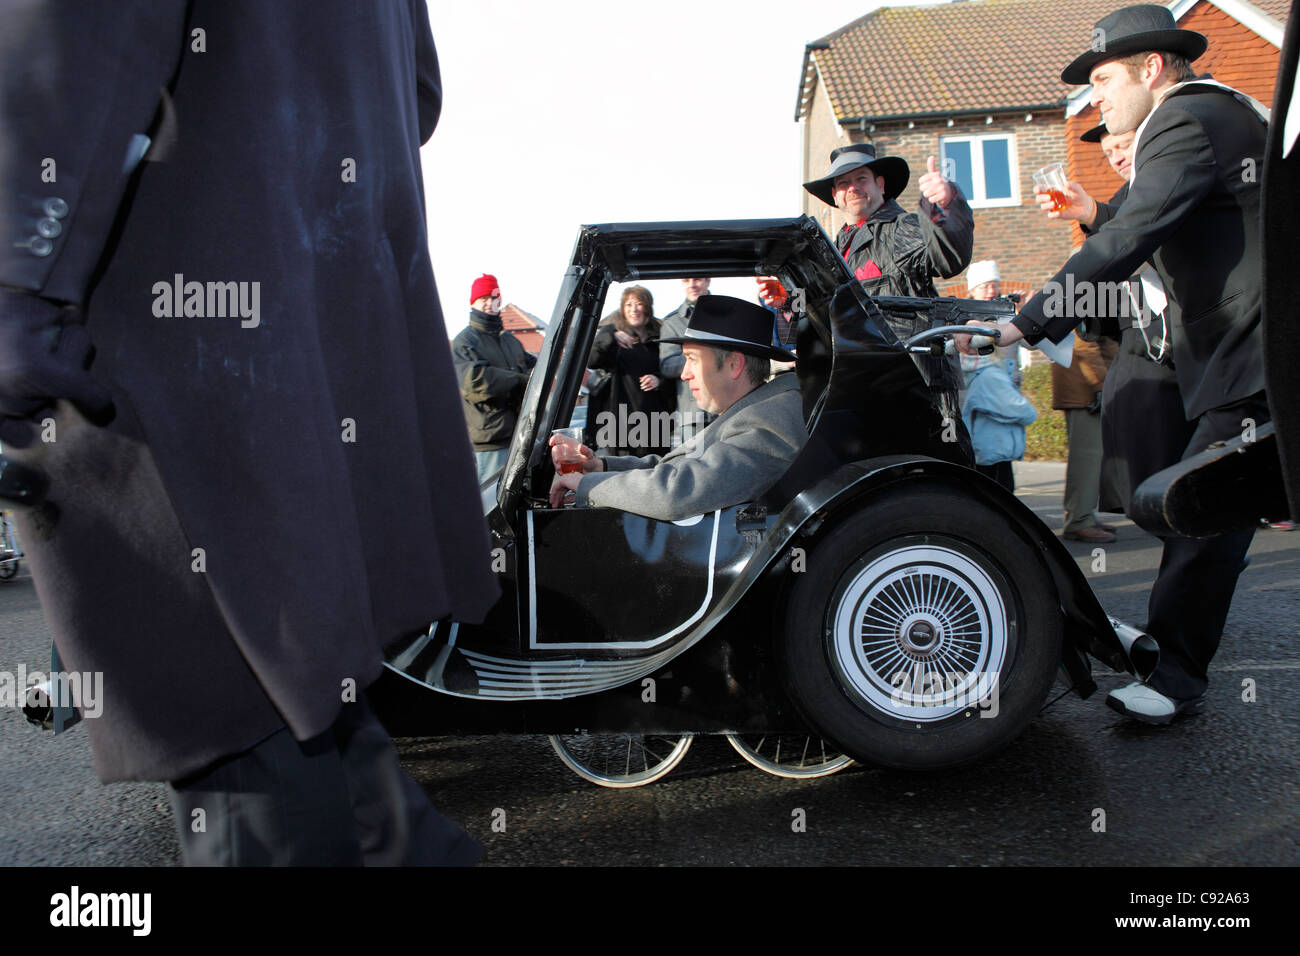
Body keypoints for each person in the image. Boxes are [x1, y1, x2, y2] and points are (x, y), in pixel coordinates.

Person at [0, 1, 497, 864]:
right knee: (312, 715)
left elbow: (78, 30)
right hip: (314, 321)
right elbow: (417, 92)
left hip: (187, 342)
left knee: (249, 722)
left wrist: (15, 274)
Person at [958, 4, 1270, 725]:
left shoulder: (1188, 118)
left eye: (1102, 79)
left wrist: (1022, 325)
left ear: (1151, 68)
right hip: (1220, 356)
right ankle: (1187, 614)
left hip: (1251, 354)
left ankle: (1176, 673)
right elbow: (1128, 217)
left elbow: (1132, 232)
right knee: (1155, 490)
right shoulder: (1190, 124)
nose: (1095, 99)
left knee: (1200, 509)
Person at [549, 295, 805, 522]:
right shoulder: (749, 411)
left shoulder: (772, 420)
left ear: (734, 364)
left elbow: (679, 490)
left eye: (692, 360)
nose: (684, 374)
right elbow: (676, 467)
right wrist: (600, 466)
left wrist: (588, 486)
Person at [798, 144, 974, 299]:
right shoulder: (834, 247)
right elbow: (818, 305)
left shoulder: (900, 227)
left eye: (861, 178)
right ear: (835, 195)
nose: (852, 188)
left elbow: (947, 260)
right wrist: (788, 300)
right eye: (843, 183)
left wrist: (948, 204)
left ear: (880, 185)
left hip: (904, 338)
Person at [452, 273, 537, 483]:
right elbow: (474, 382)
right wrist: (518, 379)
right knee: (492, 506)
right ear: (473, 303)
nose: (490, 304)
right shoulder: (464, 343)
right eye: (483, 299)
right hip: (490, 441)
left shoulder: (511, 341)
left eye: (494, 298)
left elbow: (535, 369)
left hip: (521, 436)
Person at [958, 260, 1034, 492]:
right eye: (985, 286)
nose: (991, 291)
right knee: (985, 463)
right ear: (972, 290)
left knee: (1001, 463)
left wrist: (1027, 315)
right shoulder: (962, 319)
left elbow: (1032, 345)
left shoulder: (1007, 318)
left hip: (1004, 395)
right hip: (979, 398)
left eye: (994, 285)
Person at [587, 285, 673, 457]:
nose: (634, 309)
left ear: (647, 307)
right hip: (619, 425)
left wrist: (659, 380)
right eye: (628, 305)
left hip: (654, 424)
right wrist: (611, 334)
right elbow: (592, 361)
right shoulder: (614, 338)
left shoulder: (661, 338)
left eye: (639, 303)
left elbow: (673, 374)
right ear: (623, 309)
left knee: (654, 477)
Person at [659, 277, 715, 446]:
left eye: (697, 279)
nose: (692, 285)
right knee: (693, 468)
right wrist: (702, 356)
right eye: (686, 280)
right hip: (693, 415)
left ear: (707, 281)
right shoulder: (672, 323)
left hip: (728, 410)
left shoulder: (728, 315)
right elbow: (667, 365)